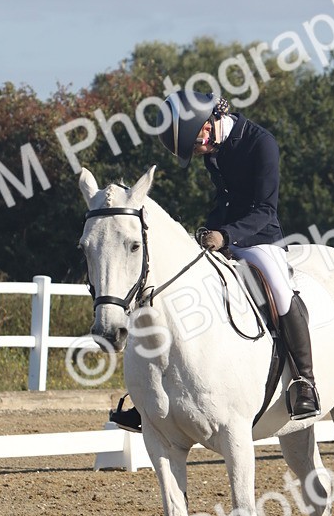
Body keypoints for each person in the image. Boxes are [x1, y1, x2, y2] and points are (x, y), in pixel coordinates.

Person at [110, 89, 320, 429]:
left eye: (196, 144)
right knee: (172, 292)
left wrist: (227, 235)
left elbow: (265, 209)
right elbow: (224, 200)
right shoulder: (214, 149)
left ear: (208, 124)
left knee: (281, 292)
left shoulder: (261, 144)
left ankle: (304, 381)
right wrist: (208, 230)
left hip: (259, 238)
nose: (197, 151)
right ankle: (152, 391)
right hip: (221, 238)